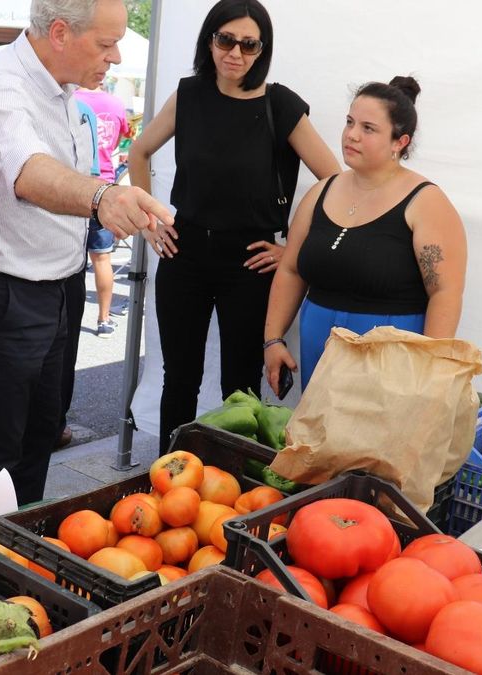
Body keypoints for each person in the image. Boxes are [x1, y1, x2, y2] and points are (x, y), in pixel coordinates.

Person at [0, 0, 172, 504]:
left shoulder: (64, 88)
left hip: (58, 287)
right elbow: (30, 172)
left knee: (42, 430)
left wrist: (114, 201)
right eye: (107, 43)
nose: (114, 56)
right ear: (62, 32)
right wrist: (102, 198)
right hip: (1, 289)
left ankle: (20, 545)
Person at [128, 0, 339, 447]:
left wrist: (293, 252)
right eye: (226, 40)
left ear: (262, 50)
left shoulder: (279, 104)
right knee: (179, 377)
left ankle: (234, 486)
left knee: (240, 385)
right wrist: (150, 221)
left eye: (249, 45)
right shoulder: (189, 95)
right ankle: (169, 471)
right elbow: (139, 152)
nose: (236, 54)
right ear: (210, 40)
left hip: (250, 263)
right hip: (184, 254)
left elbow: (335, 183)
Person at [263, 77, 468, 392]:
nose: (351, 135)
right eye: (349, 122)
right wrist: (273, 339)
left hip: (390, 368)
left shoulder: (426, 203)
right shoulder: (321, 192)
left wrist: (429, 370)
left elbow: (445, 293)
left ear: (400, 142)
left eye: (368, 128)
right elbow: (291, 270)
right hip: (319, 355)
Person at [56, 98, 103, 449]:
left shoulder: (80, 109)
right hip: (14, 273)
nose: (113, 58)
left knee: (62, 354)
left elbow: (91, 172)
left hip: (69, 261)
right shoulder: (2, 89)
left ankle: (55, 422)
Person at [75, 84, 132, 338]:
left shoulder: (70, 98)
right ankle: (104, 318)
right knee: (102, 257)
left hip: (74, 185)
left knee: (71, 260)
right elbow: (121, 139)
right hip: (105, 187)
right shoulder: (115, 104)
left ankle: (69, 317)